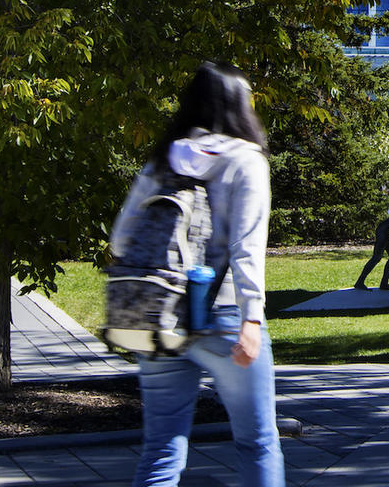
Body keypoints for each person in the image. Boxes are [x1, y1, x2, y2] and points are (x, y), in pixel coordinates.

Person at [114, 62, 283, 485]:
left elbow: (120, 240)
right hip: (225, 315)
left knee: (162, 448)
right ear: (240, 105)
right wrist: (252, 318)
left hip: (160, 314)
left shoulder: (162, 161)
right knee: (257, 441)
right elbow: (248, 247)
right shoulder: (247, 161)